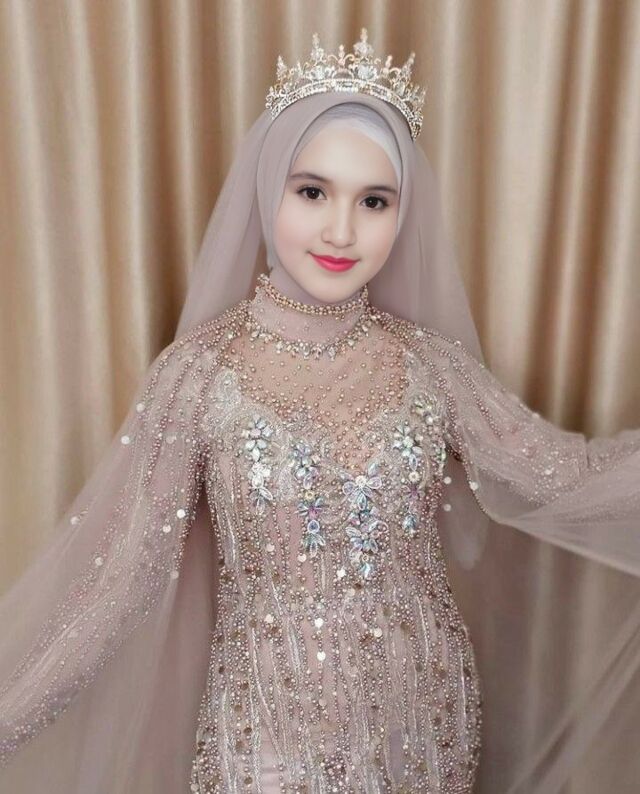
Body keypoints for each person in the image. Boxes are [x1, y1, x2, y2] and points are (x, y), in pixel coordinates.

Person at [1, 28, 639, 794]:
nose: (342, 231)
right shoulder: (200, 374)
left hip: (424, 729)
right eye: (312, 192)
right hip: (269, 738)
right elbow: (117, 581)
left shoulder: (430, 366)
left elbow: (564, 475)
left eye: (374, 201)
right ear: (269, 188)